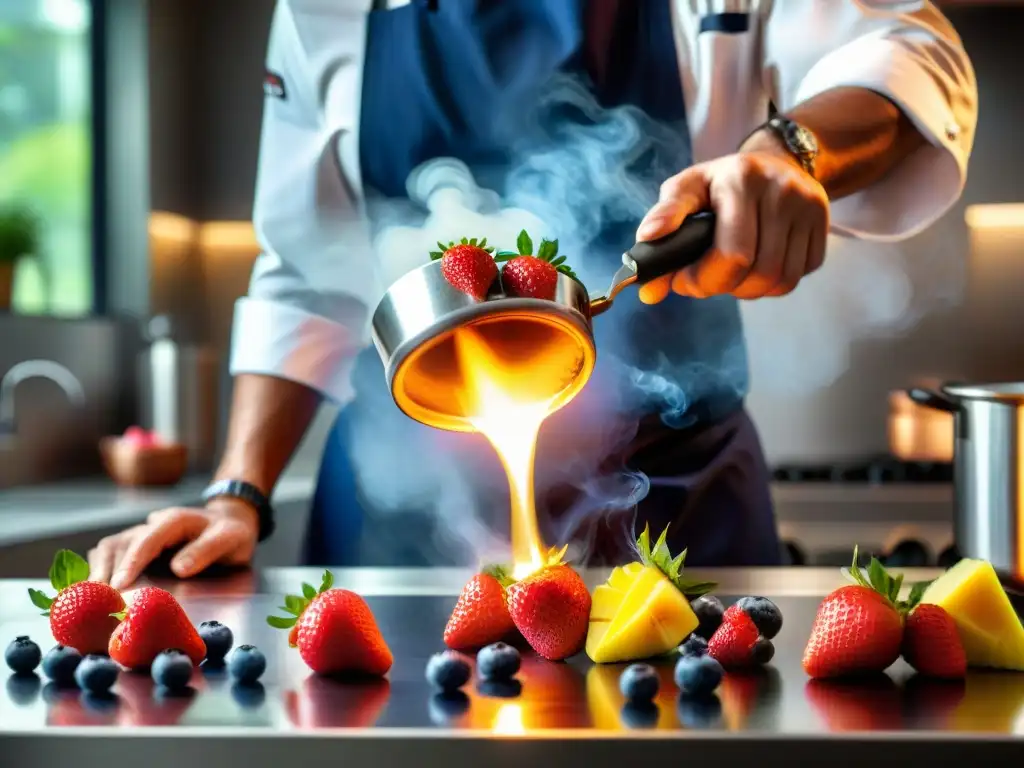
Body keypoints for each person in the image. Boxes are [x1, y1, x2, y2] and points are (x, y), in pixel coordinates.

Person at [89, 0, 977, 588]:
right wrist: (234, 495)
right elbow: (304, 279)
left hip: (674, 502)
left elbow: (912, 52)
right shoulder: (324, 10)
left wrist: (791, 153)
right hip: (398, 529)